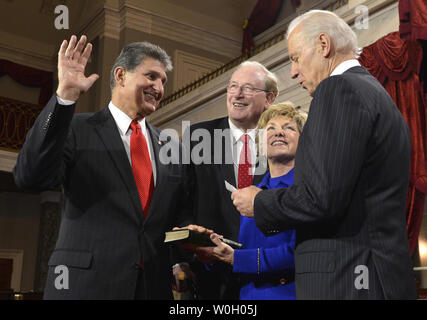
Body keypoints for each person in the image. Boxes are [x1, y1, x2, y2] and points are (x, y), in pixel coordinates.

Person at [231, 10, 417, 299]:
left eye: (294, 57)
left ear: (323, 44)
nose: (293, 71)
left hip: (348, 279)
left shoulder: (338, 89)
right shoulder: (375, 94)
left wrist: (259, 202)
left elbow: (321, 198)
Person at [13, 35, 193, 299]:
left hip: (152, 288)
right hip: (85, 286)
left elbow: (177, 213)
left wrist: (179, 260)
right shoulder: (76, 129)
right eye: (151, 76)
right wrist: (66, 96)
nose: (159, 87)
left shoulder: (171, 146)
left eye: (163, 81)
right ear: (121, 75)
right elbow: (30, 177)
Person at [185, 61, 278, 299]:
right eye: (233, 86)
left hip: (264, 273)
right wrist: (180, 261)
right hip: (206, 274)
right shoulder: (198, 137)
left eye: (247, 88)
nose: (236, 94)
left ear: (268, 99)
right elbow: (180, 202)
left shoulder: (279, 142)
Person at [196, 102, 307, 300]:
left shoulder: (308, 190)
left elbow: (303, 251)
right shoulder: (249, 195)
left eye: (288, 128)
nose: (278, 133)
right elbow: (242, 257)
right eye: (270, 129)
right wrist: (213, 254)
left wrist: (235, 258)